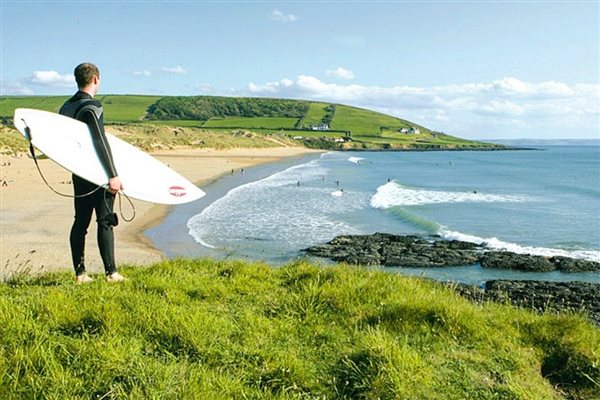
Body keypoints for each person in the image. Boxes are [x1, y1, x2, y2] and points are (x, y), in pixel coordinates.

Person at [59, 63, 126, 284]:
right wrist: (113, 174)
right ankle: (111, 273)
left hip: (79, 173)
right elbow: (99, 140)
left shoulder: (66, 107)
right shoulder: (92, 106)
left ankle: (80, 274)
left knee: (80, 222)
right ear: (96, 79)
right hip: (97, 174)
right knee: (105, 220)